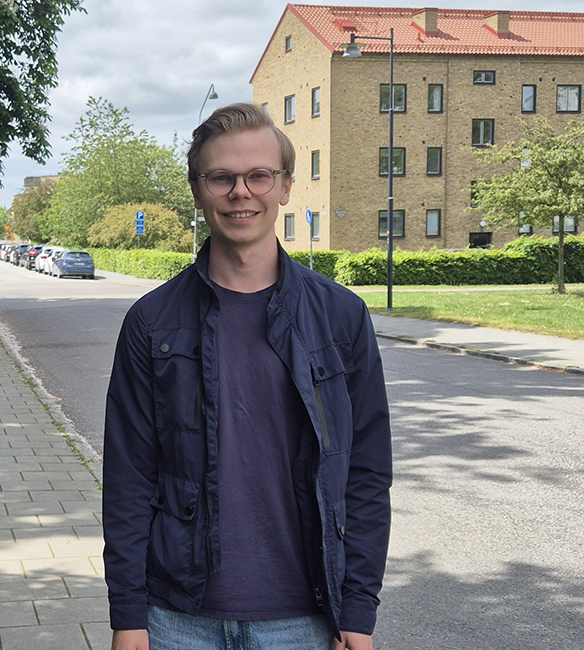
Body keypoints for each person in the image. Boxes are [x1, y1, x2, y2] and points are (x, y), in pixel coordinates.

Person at [103, 103, 392, 650]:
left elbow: (366, 473)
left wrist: (357, 610)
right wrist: (128, 614)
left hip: (305, 620)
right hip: (176, 619)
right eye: (222, 177)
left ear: (285, 186)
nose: (242, 192)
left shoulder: (342, 317)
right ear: (198, 191)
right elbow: (129, 477)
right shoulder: (151, 322)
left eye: (259, 175)